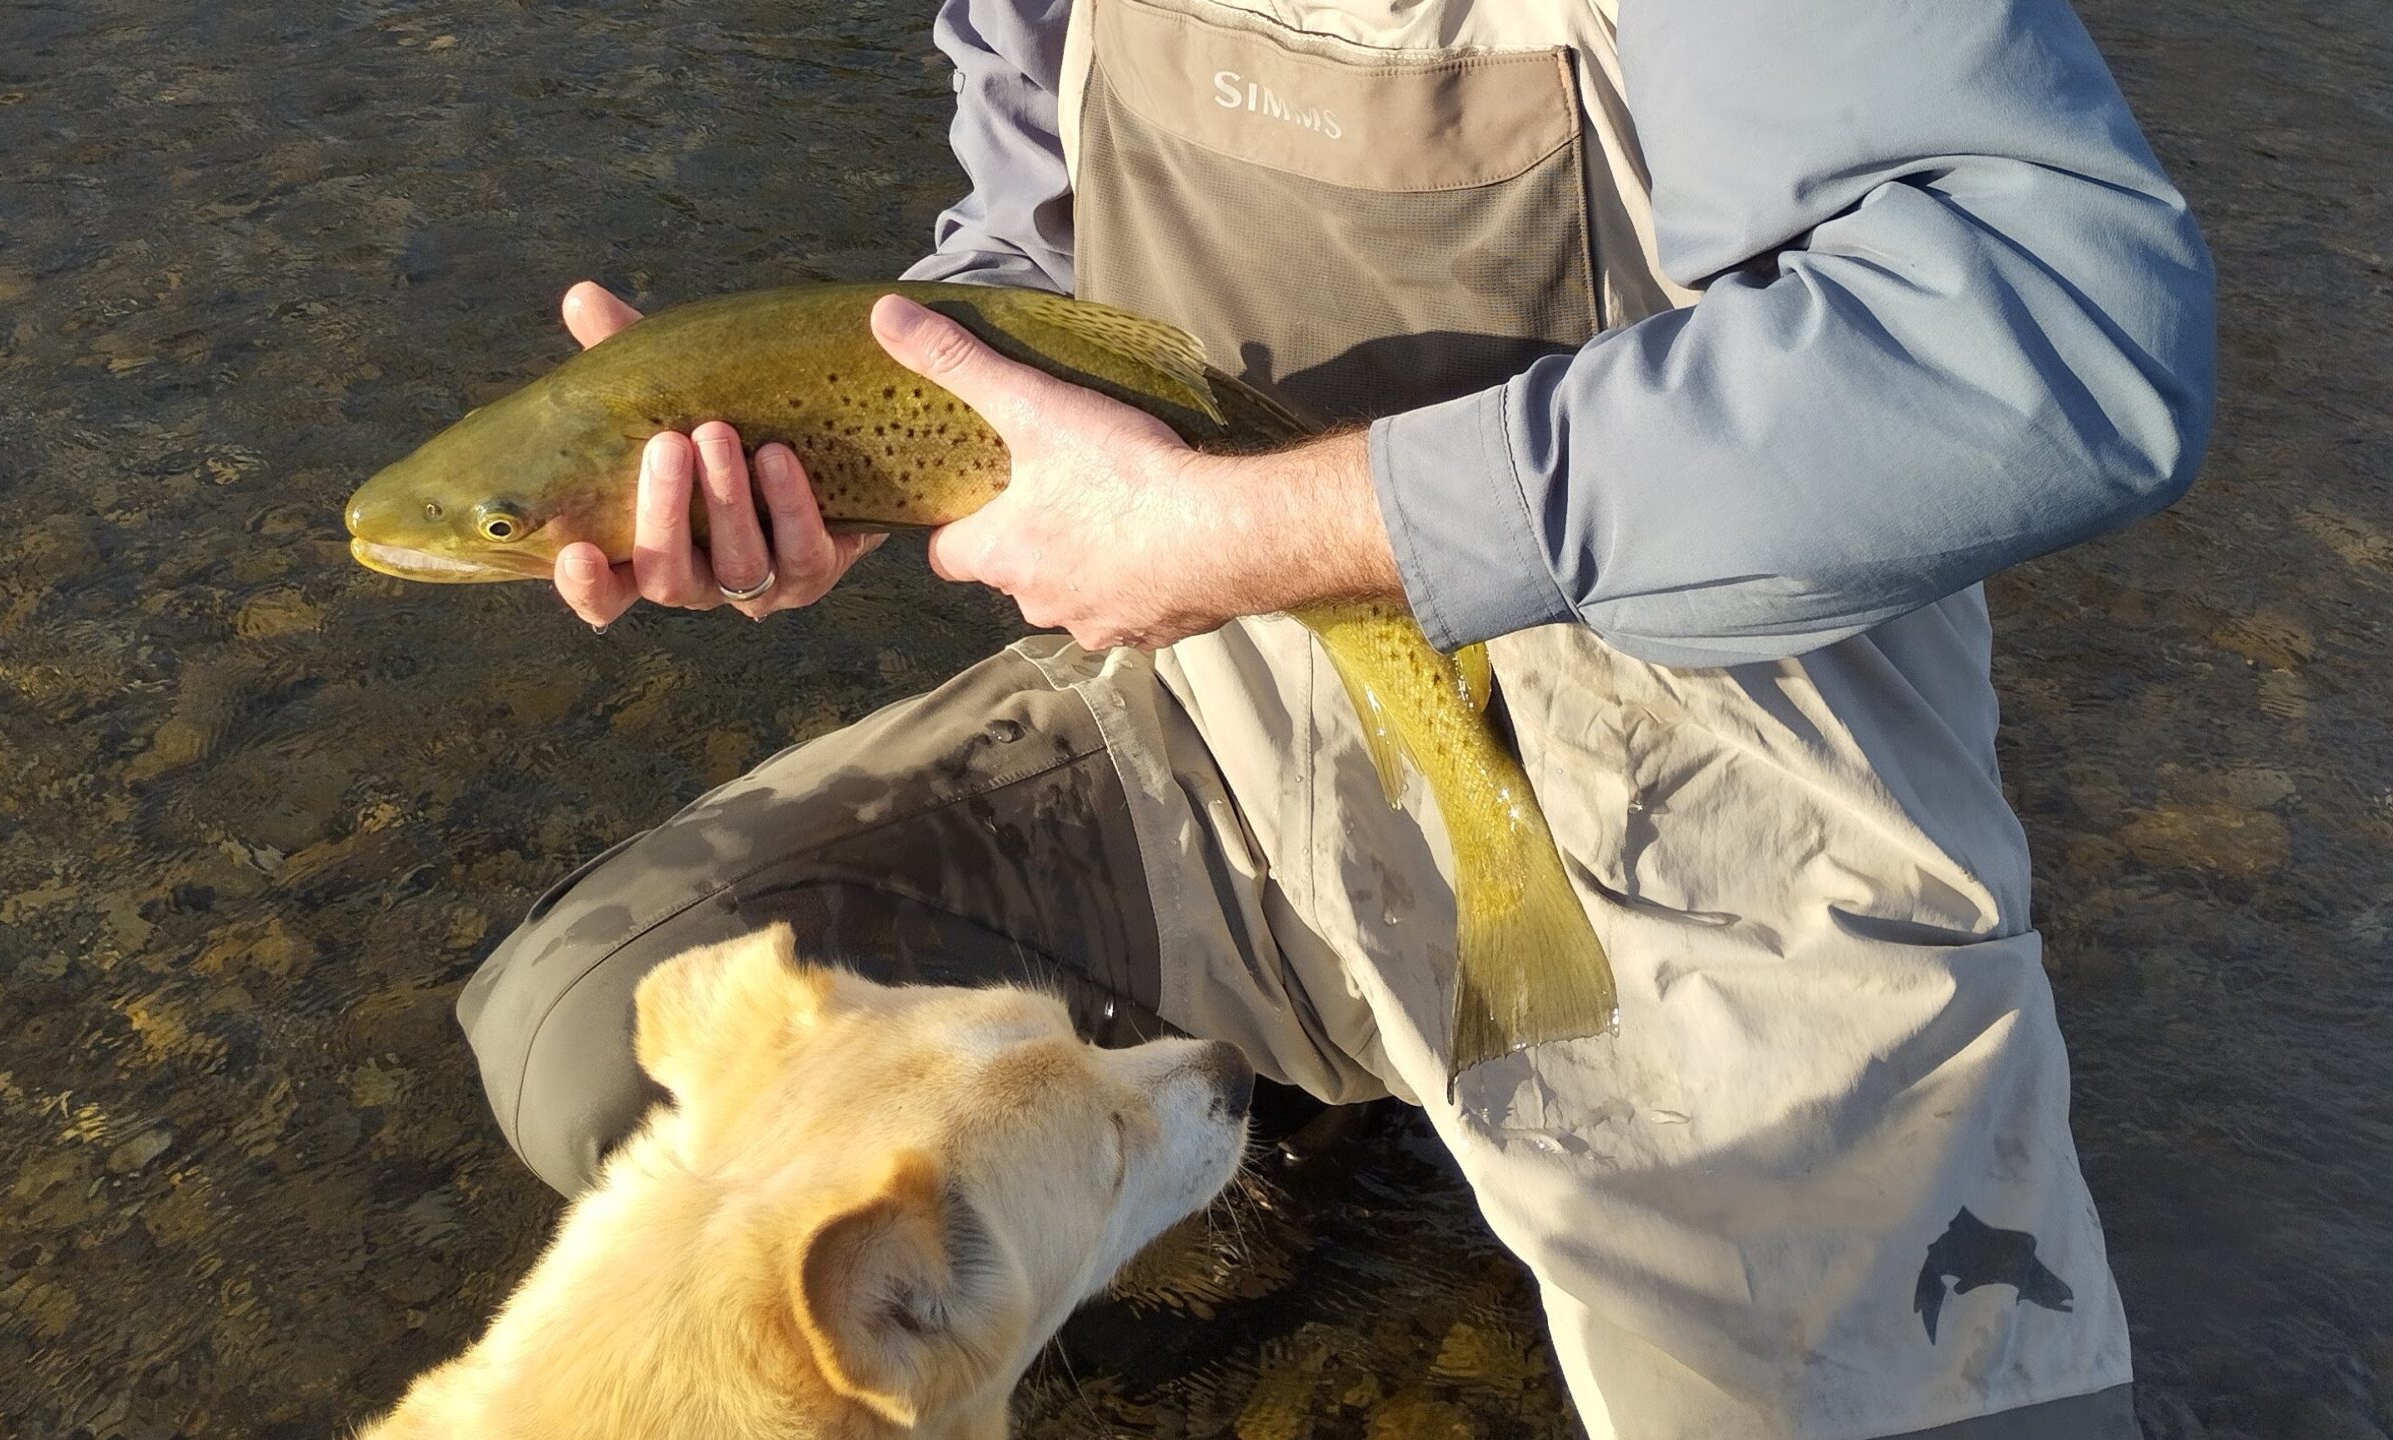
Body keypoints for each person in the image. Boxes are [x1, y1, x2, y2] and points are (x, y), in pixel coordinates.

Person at [453, 0, 2216, 1433]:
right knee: (597, 1027)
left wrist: (1267, 528)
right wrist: (849, 459)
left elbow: (2065, 338)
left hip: (1713, 792)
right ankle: (1279, 1102)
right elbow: (1034, 267)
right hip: (1224, 715)